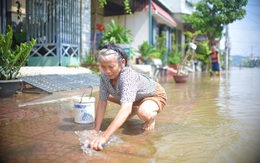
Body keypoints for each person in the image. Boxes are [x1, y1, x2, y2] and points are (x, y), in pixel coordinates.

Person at [87, 42, 167, 151]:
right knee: (106, 97)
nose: (107, 71)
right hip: (135, 98)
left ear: (122, 62)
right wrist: (96, 129)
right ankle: (133, 109)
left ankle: (151, 117)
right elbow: (102, 102)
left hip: (154, 95)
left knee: (143, 113)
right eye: (103, 67)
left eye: (111, 67)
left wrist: (104, 137)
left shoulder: (128, 77)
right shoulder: (104, 76)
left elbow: (125, 108)